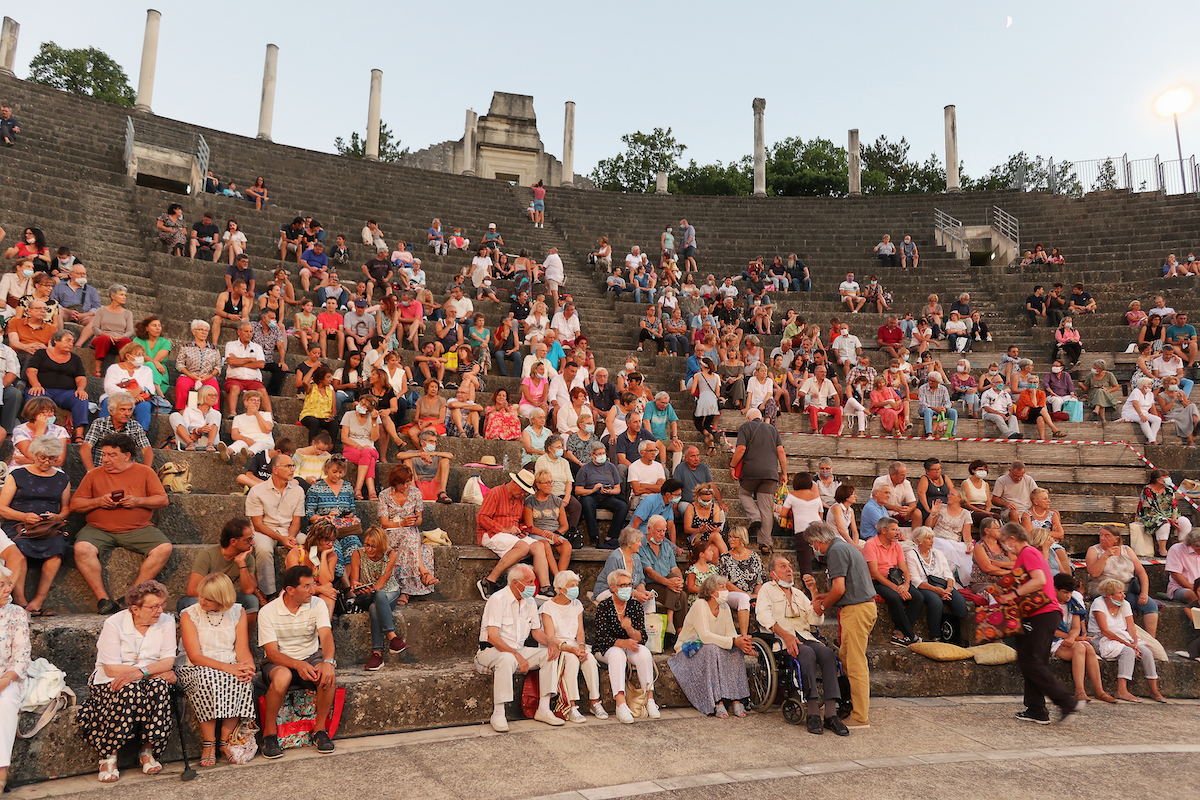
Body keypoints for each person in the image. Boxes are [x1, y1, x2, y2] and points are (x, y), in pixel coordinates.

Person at [76, 580, 176, 782]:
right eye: (153, 606)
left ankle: (147, 750)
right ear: (135, 609)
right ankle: (109, 755)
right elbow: (111, 668)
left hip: (146, 678)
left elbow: (168, 661)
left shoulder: (167, 621)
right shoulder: (114, 623)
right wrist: (148, 672)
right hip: (110, 680)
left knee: (159, 687)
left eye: (161, 604)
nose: (159, 610)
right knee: (130, 690)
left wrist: (143, 674)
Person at [70, 434, 171, 615]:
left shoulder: (145, 472)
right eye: (104, 454)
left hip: (138, 528)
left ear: (127, 455)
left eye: (112, 455)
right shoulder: (93, 474)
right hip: (98, 529)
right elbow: (75, 504)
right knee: (82, 549)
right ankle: (103, 599)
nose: (105, 459)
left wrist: (138, 501)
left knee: (164, 548)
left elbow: (162, 500)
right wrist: (99, 502)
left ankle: (132, 596)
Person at [994, 523, 1081, 723]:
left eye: (1004, 541)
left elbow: (1040, 580)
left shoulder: (1028, 552)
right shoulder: (1030, 554)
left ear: (1012, 538)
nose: (1004, 546)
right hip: (1042, 614)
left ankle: (1066, 701)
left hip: (1042, 613)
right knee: (1033, 661)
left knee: (1029, 660)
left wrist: (1012, 595)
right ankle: (1036, 710)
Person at [756, 556, 848, 735]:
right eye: (783, 566)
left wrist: (813, 592)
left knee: (828, 654)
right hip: (781, 640)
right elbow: (763, 616)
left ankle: (831, 714)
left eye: (790, 566)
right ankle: (813, 711)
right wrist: (786, 636)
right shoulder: (767, 590)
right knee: (806, 654)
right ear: (773, 574)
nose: (789, 569)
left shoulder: (798, 593)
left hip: (805, 636)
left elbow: (815, 620)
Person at [257, 565, 338, 757]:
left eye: (313, 585)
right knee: (282, 676)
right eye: (307, 586)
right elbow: (271, 653)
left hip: (310, 656)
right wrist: (297, 664)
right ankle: (269, 734)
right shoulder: (268, 611)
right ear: (290, 590)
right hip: (280, 661)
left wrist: (328, 661)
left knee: (327, 675)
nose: (313, 590)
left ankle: (320, 731)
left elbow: (326, 636)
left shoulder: (317, 604)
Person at [177, 573, 256, 767]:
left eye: (209, 598)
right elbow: (195, 656)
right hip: (196, 667)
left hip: (228, 664)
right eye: (202, 595)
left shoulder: (238, 611)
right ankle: (208, 742)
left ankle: (225, 741)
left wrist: (247, 667)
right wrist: (230, 668)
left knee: (242, 679)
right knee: (208, 679)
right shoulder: (189, 614)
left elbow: (242, 649)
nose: (202, 601)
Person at [806, 522, 874, 729]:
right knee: (847, 658)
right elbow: (846, 586)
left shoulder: (835, 551)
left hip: (856, 610)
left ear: (817, 541)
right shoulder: (846, 547)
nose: (813, 549)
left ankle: (860, 716)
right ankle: (853, 705)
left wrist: (822, 606)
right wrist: (829, 596)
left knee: (855, 663)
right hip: (861, 606)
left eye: (811, 544)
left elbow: (839, 588)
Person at [668, 574, 753, 719]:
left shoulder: (724, 606)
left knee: (735, 649)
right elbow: (705, 636)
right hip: (688, 651)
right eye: (722, 587)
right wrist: (733, 641)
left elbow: (731, 633)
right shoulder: (700, 605)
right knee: (711, 648)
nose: (726, 590)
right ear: (712, 592)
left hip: (713, 647)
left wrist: (742, 643)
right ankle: (717, 702)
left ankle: (736, 699)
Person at [593, 569, 659, 724]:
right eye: (623, 585)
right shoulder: (604, 606)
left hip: (629, 645)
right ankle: (620, 703)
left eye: (629, 584)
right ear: (613, 587)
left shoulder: (635, 605)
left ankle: (649, 699)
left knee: (643, 653)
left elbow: (642, 637)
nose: (627, 588)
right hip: (606, 648)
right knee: (617, 654)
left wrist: (629, 630)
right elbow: (601, 637)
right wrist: (622, 642)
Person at [539, 571, 606, 722]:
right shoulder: (547, 607)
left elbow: (580, 631)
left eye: (576, 585)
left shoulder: (577, 604)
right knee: (572, 659)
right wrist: (571, 649)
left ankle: (595, 702)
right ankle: (571, 706)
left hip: (574, 644)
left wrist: (581, 646)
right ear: (561, 589)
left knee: (588, 659)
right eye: (572, 586)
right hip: (558, 646)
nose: (576, 588)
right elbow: (550, 637)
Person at [1088, 578, 1166, 703]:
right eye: (1120, 592)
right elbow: (1105, 631)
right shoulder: (1099, 603)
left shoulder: (1125, 604)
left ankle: (1154, 690)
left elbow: (1131, 627)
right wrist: (1128, 645)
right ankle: (1121, 690)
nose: (1124, 595)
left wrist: (1134, 643)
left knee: (1146, 652)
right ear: (1109, 595)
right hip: (1101, 638)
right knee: (1128, 651)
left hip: (1123, 637)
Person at [349, 527, 414, 671]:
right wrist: (357, 585)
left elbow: (381, 584)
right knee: (376, 598)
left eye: (374, 546)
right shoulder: (357, 554)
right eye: (367, 545)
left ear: (381, 545)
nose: (370, 549)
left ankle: (377, 654)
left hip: (388, 591)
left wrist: (373, 589)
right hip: (366, 594)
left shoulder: (390, 554)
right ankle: (393, 638)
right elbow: (354, 580)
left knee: (376, 602)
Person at [1049, 572, 1117, 704]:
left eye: (1070, 593)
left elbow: (1075, 627)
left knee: (1088, 648)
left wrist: (1073, 637)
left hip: (1070, 639)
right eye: (1064, 592)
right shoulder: (1048, 604)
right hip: (1052, 640)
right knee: (1080, 647)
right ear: (1054, 589)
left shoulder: (1072, 603)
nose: (1068, 596)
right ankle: (1079, 690)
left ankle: (1099, 691)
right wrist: (1073, 639)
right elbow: (1050, 630)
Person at [378, 465, 438, 604]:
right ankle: (423, 573)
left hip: (409, 531)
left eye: (407, 482)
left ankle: (404, 590)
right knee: (409, 537)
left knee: (409, 537)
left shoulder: (415, 493)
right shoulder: (385, 495)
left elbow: (420, 518)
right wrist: (401, 524)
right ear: (394, 482)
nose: (405, 486)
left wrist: (415, 521)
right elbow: (384, 523)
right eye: (401, 483)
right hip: (391, 532)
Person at [730, 408, 786, 554]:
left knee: (744, 493)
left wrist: (732, 465)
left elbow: (741, 449)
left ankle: (754, 517)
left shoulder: (745, 427)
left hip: (751, 471)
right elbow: (781, 451)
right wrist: (784, 473)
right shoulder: (773, 430)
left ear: (748, 418)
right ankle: (766, 543)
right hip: (770, 474)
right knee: (767, 509)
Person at [863, 518, 925, 645]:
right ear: (884, 531)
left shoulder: (896, 545)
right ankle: (911, 635)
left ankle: (899, 634)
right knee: (895, 597)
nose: (898, 532)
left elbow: (904, 569)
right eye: (894, 529)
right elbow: (874, 572)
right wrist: (897, 589)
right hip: (877, 580)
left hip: (895, 578)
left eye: (898, 529)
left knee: (918, 596)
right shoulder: (871, 544)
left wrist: (906, 585)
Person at [906, 527, 968, 645]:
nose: (932, 541)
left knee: (960, 603)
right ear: (919, 541)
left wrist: (948, 589)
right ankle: (936, 636)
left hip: (944, 585)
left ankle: (957, 636)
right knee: (935, 602)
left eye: (932, 538)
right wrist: (936, 590)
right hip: (925, 586)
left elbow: (948, 574)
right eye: (928, 538)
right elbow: (915, 580)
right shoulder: (911, 554)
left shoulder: (938, 553)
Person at [575, 441, 629, 549]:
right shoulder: (585, 468)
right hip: (590, 496)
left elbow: (617, 489)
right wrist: (592, 490)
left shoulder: (611, 467)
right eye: (599, 454)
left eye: (603, 453)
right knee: (587, 504)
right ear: (592, 455)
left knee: (623, 506)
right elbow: (578, 490)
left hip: (606, 496)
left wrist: (610, 491)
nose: (602, 456)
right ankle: (593, 536)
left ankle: (611, 537)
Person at [1137, 469, 1193, 556]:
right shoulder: (1147, 490)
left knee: (1184, 521)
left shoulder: (1169, 489)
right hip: (1150, 516)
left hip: (1169, 516)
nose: (1168, 479)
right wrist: (1169, 519)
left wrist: (1174, 518)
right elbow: (1149, 509)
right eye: (1165, 477)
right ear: (1158, 480)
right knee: (1163, 522)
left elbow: (1174, 506)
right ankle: (1162, 549)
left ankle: (1183, 548)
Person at [872, 461, 922, 529]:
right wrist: (896, 508)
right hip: (883, 512)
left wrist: (909, 509)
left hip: (899, 513)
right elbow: (874, 502)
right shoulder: (880, 481)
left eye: (905, 475)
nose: (905, 478)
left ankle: (916, 537)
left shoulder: (906, 483)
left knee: (917, 513)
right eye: (902, 475)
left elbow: (913, 503)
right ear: (893, 474)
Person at [1121, 377, 1162, 444]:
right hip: (1130, 412)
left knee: (1157, 419)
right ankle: (1153, 440)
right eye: (1150, 384)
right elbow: (1135, 403)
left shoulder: (1150, 394)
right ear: (1144, 386)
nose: (1151, 386)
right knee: (1143, 420)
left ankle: (1151, 439)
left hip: (1144, 412)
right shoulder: (1136, 391)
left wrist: (1155, 416)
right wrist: (1141, 415)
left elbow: (1152, 407)